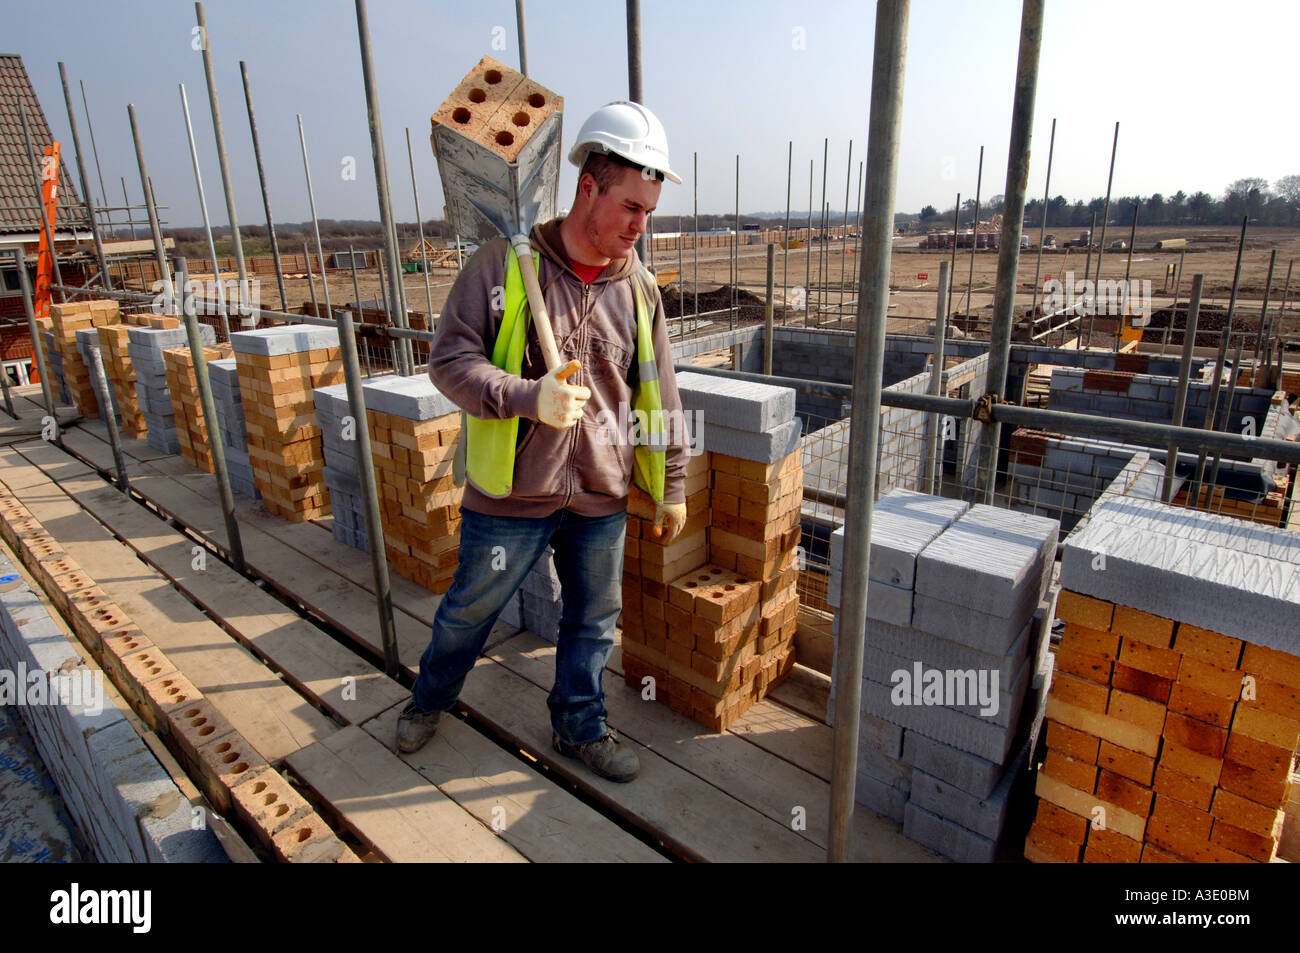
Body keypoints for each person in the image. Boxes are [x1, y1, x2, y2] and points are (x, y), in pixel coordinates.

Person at [395, 102, 691, 783]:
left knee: (592, 621)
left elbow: (659, 397)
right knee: (470, 612)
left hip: (601, 496)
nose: (641, 226)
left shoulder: (639, 289)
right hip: (512, 496)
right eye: (631, 208)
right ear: (588, 186)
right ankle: (428, 700)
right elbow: (449, 360)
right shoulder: (502, 265)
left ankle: (579, 725)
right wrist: (531, 396)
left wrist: (669, 484)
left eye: (649, 211)